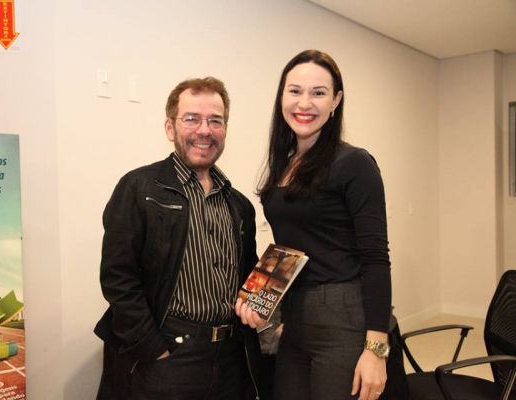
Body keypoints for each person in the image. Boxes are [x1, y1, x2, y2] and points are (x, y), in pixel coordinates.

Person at [236, 50, 392, 400]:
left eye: (318, 93)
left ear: (335, 101)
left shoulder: (354, 163)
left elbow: (376, 258)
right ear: (281, 97)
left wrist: (376, 350)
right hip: (295, 318)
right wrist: (260, 300)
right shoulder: (284, 163)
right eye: (295, 91)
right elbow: (290, 248)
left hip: (342, 317)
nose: (304, 103)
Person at [94, 77, 262, 400]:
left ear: (225, 129)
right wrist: (152, 348)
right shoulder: (139, 188)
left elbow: (248, 276)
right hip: (168, 356)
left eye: (215, 120)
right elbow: (118, 278)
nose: (204, 130)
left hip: (230, 361)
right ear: (170, 127)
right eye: (192, 119)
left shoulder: (240, 205)